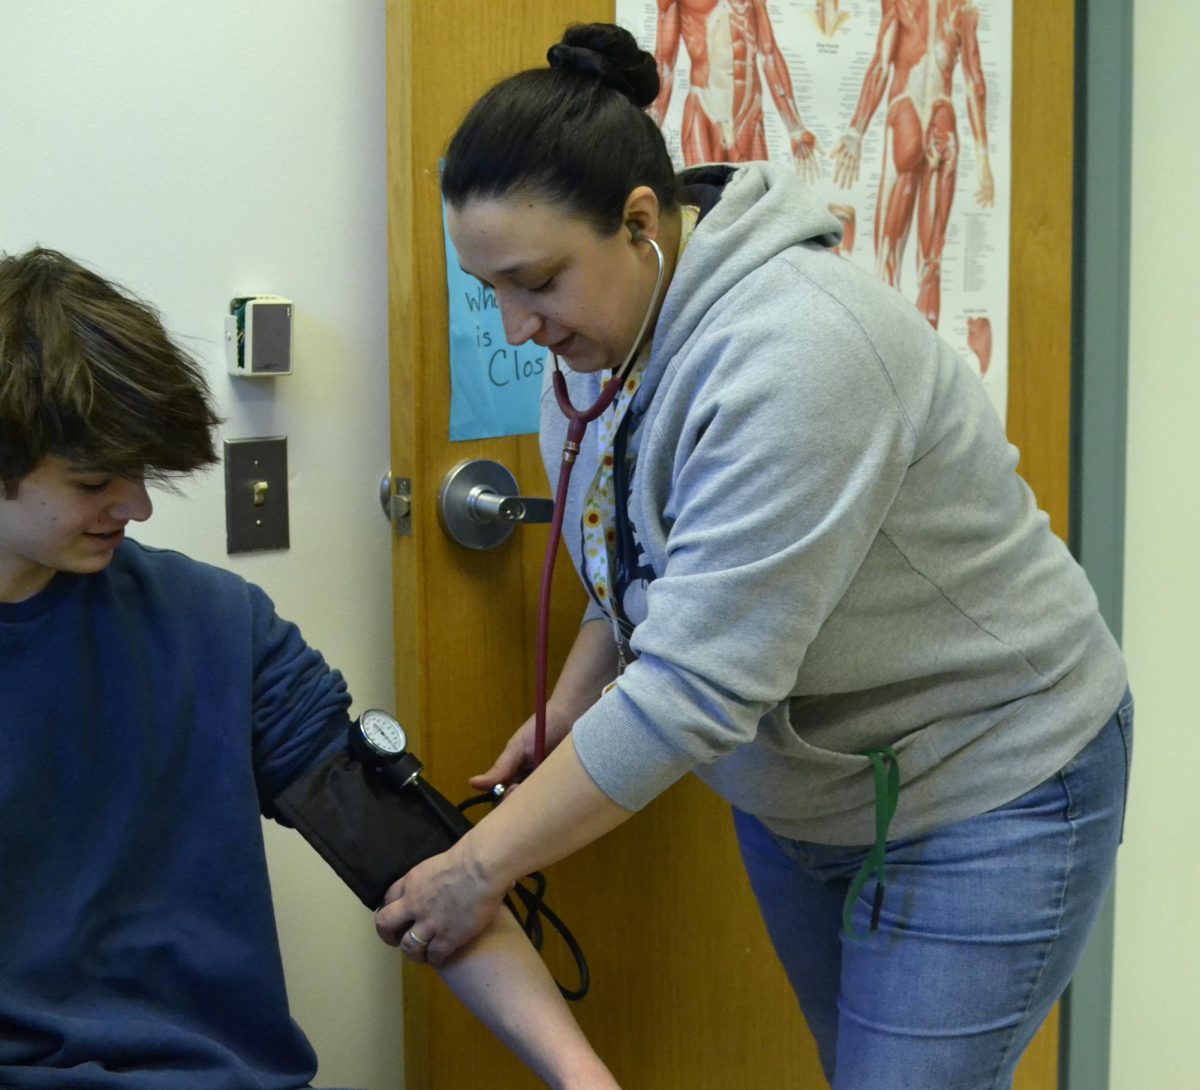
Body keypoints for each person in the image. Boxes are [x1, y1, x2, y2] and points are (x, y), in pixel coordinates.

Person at [375, 23, 1132, 1090]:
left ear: (642, 222)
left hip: (990, 780)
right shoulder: (605, 343)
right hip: (810, 794)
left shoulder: (801, 353)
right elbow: (637, 566)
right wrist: (569, 709)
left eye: (535, 280)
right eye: (486, 286)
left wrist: (478, 869)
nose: (514, 325)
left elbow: (690, 690)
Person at [0, 247, 619, 1090]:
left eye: (142, 475)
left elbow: (417, 872)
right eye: (95, 481)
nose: (139, 507)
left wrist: (582, 1077)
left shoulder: (216, 627)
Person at [830, 0, 995, 329]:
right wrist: (982, 159)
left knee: (888, 260)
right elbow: (974, 81)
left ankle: (892, 356)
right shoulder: (963, 8)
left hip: (906, 107)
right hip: (941, 114)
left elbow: (881, 64)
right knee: (929, 263)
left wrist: (856, 130)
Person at [648, 0, 821, 178]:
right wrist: (647, 135)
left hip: (748, 115)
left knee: (757, 199)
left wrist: (796, 128)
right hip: (705, 111)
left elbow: (769, 53)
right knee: (704, 198)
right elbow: (664, 65)